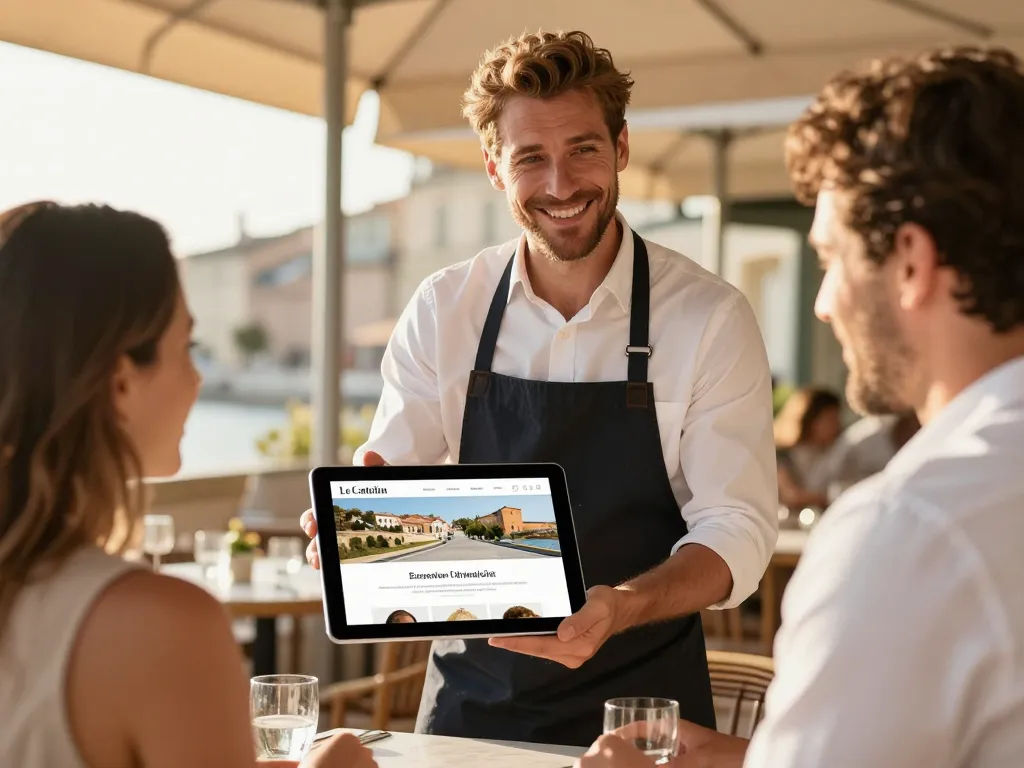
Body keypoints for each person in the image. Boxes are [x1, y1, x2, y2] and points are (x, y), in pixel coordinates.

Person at [300, 29, 778, 746]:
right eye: (531, 158)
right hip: (470, 712)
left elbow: (737, 528)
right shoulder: (445, 307)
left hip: (644, 719)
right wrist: (353, 536)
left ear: (620, 148)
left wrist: (619, 606)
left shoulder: (708, 318)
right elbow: (397, 479)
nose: (560, 185)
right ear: (494, 168)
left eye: (583, 149)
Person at [577, 44, 1024, 767]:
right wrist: (738, 757)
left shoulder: (907, 533)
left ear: (910, 263)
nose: (821, 306)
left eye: (830, 259)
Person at [0, 202, 376, 768]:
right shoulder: (161, 626)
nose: (199, 378)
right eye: (187, 349)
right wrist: (337, 763)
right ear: (121, 382)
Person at [772, 387, 843, 509]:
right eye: (830, 419)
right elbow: (791, 495)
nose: (836, 425)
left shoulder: (835, 452)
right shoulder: (782, 456)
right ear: (810, 419)